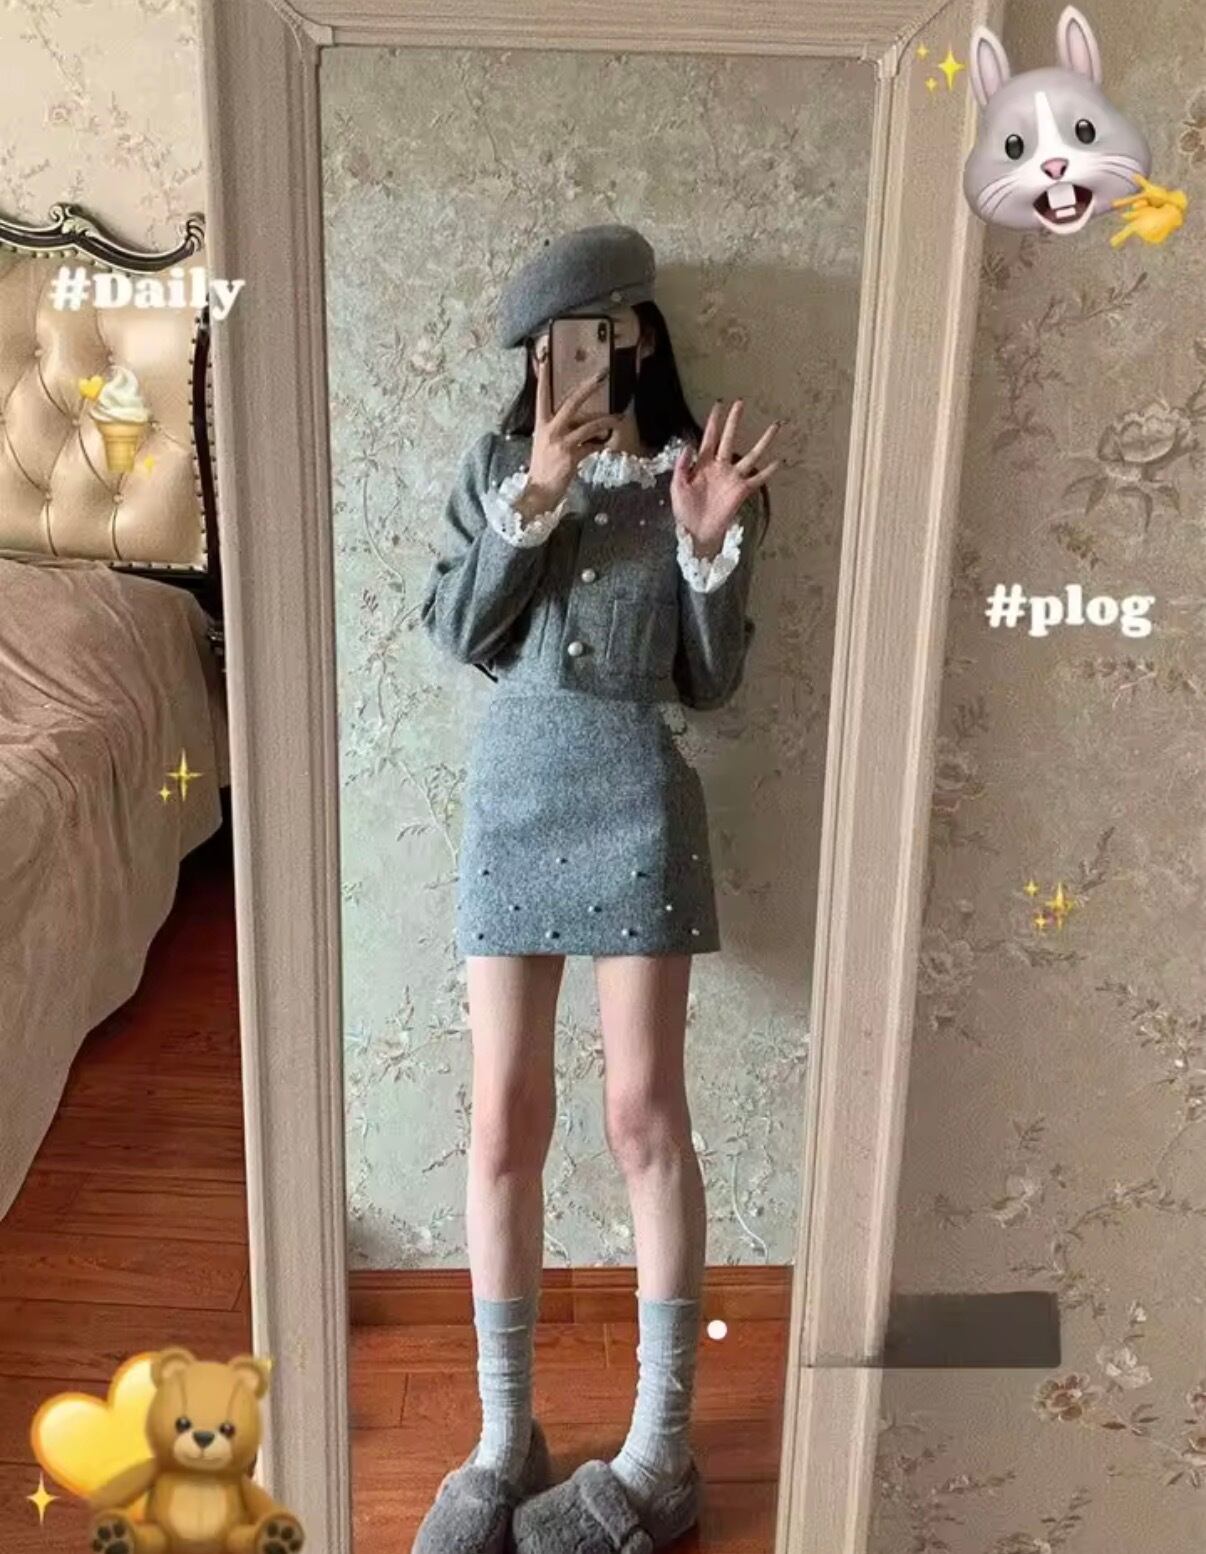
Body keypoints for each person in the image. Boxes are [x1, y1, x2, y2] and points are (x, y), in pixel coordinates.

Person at [415, 223, 780, 1554]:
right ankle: (501, 1437)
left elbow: (710, 681)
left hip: (637, 803)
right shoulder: (496, 469)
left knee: (643, 1115)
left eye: (599, 334)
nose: (573, 361)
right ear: (534, 360)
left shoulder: (698, 475)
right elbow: (459, 631)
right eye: (551, 346)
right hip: (509, 807)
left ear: (640, 338)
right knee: (502, 1118)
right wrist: (538, 494)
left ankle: (659, 1448)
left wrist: (707, 547)